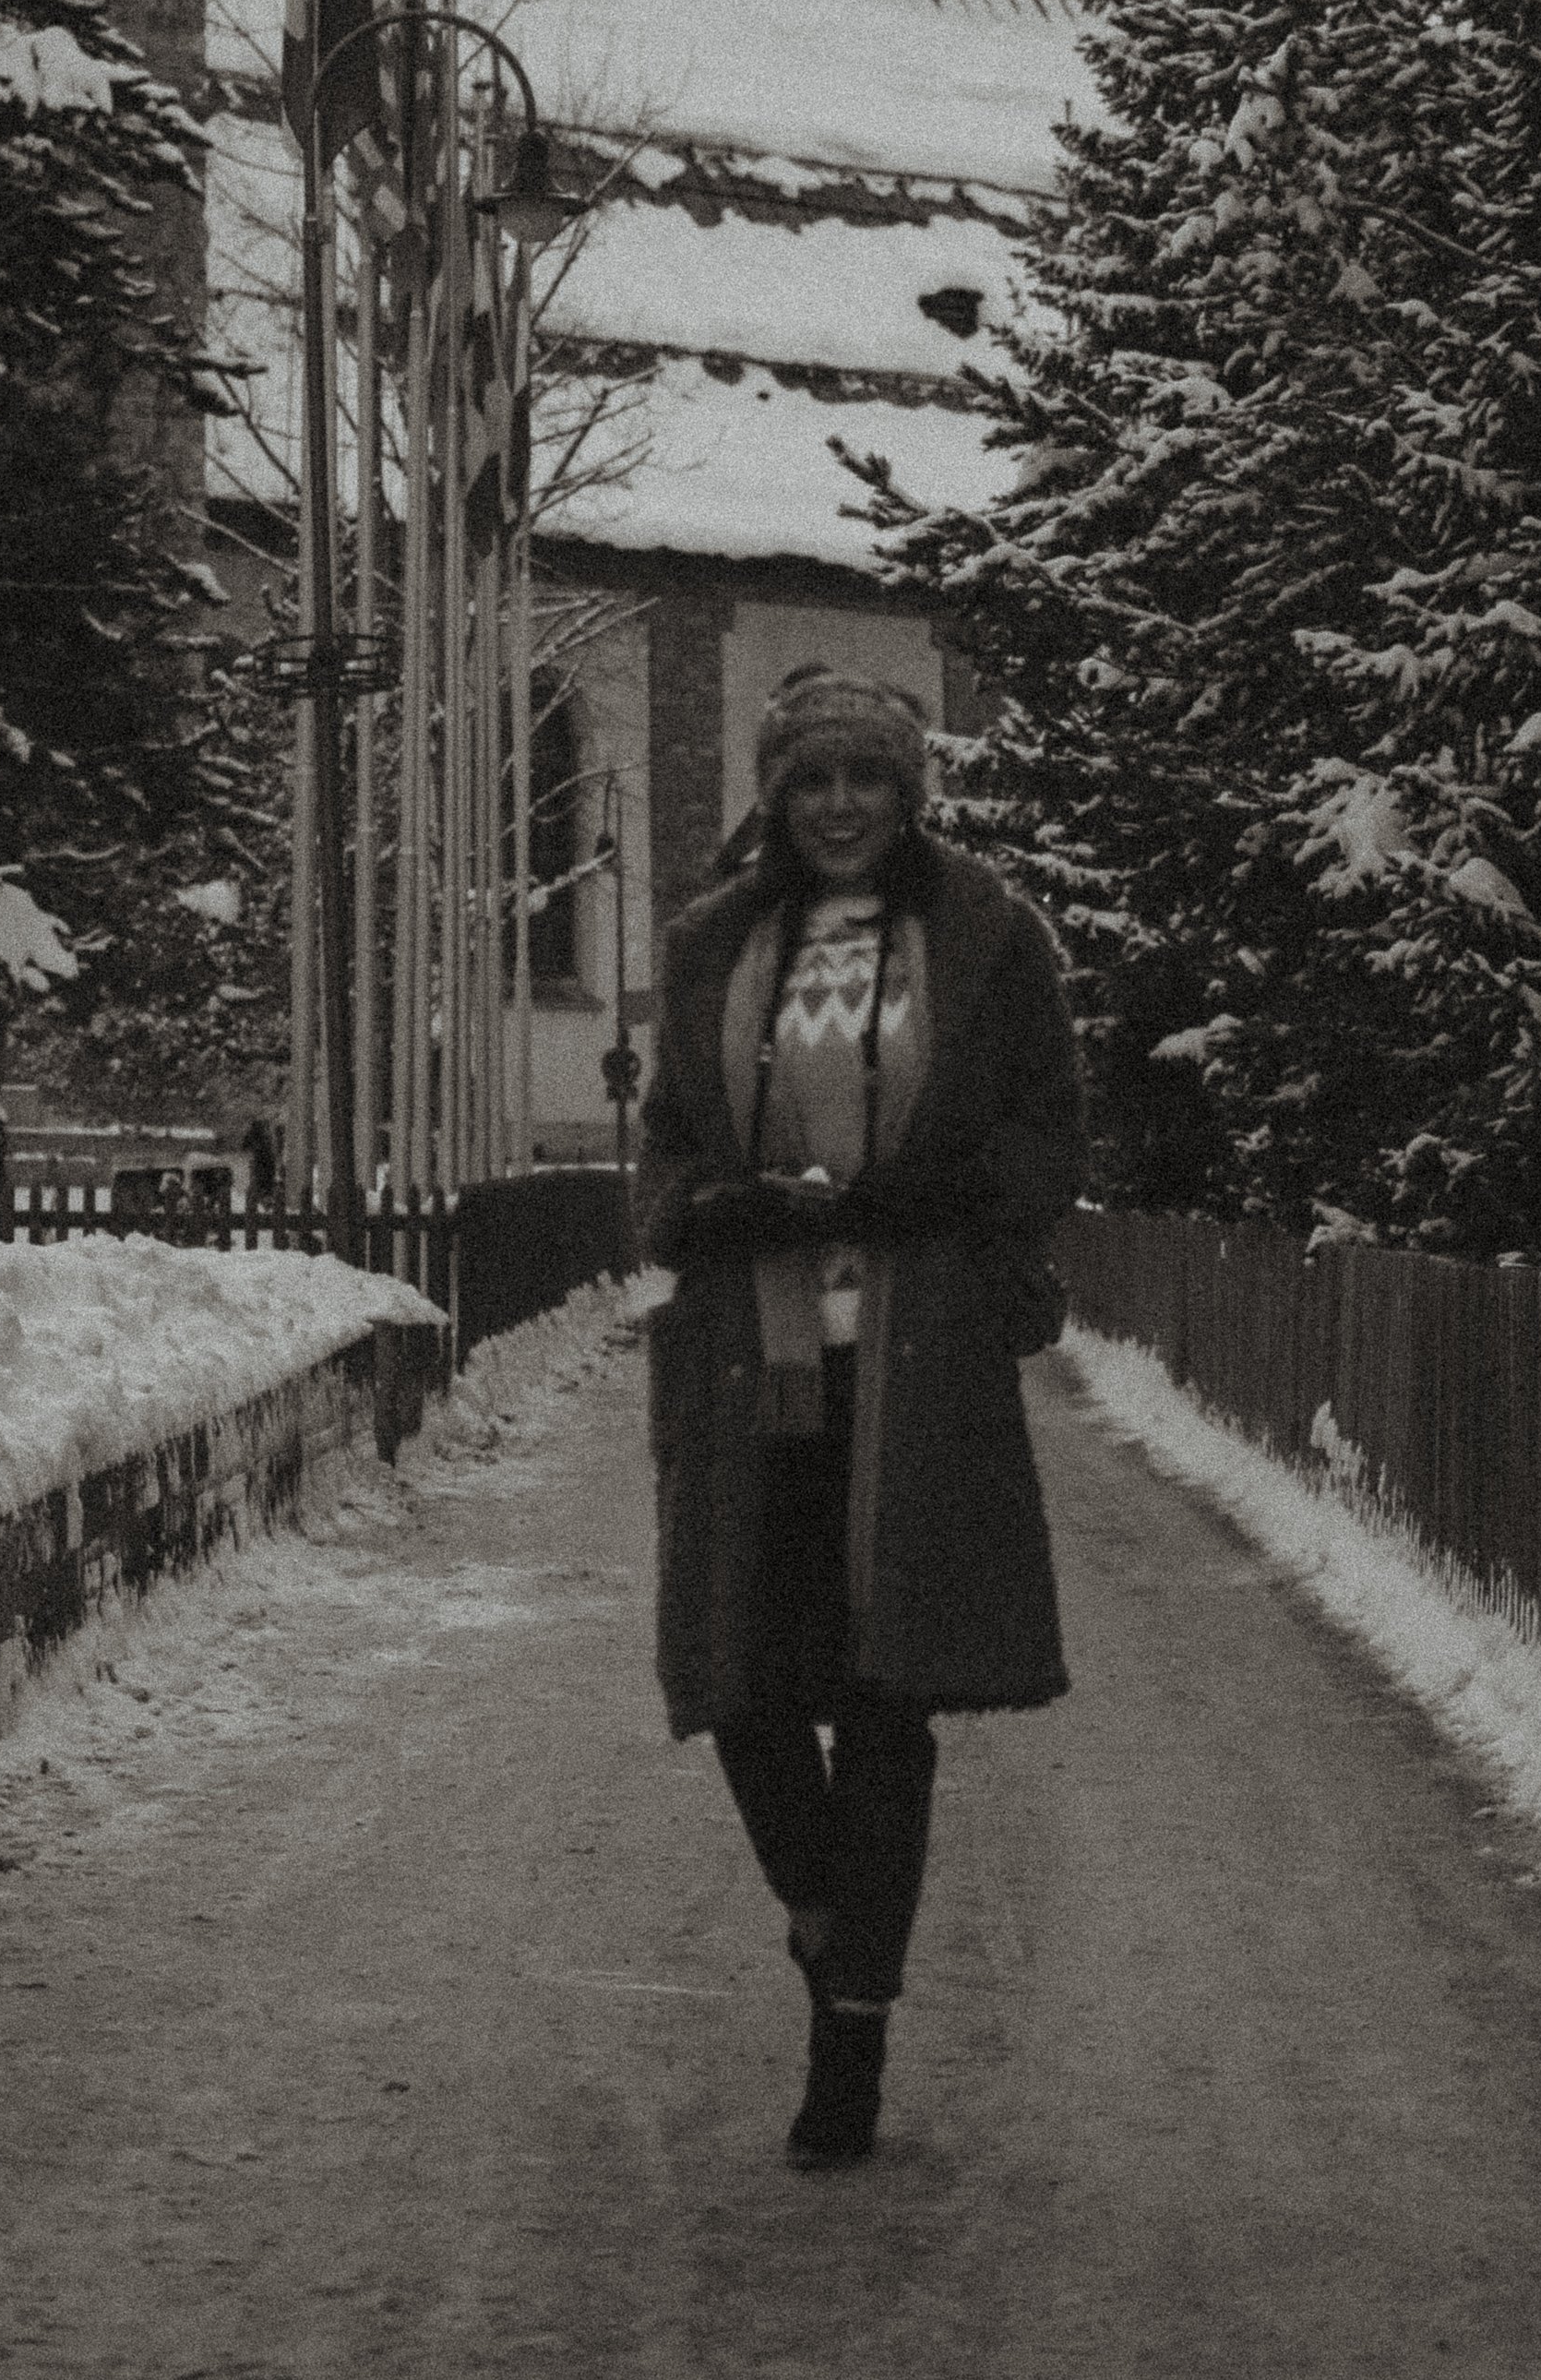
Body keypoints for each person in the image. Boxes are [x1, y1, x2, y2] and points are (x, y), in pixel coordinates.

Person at [636, 664, 1083, 2169]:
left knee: (887, 1699)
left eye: (869, 780)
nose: (841, 806)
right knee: (745, 1684)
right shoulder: (715, 941)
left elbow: (1045, 1131)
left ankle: (853, 2038)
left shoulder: (988, 935)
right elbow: (664, 1145)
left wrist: (936, 1196)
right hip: (745, 1364)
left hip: (918, 1361)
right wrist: (706, 1204)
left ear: (909, 793)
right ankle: (829, 1933)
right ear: (778, 795)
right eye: (814, 779)